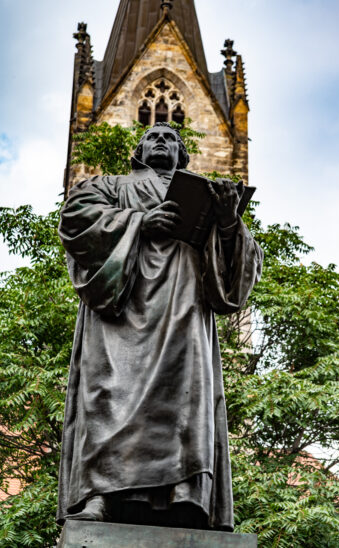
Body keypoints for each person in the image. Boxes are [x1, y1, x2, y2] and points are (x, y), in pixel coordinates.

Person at [57, 122, 263, 531]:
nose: (161, 142)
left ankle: (186, 496)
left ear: (183, 155)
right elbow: (75, 220)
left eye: (171, 138)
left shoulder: (205, 195)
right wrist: (139, 223)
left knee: (184, 404)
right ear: (138, 150)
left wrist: (227, 223)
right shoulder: (110, 186)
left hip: (183, 313)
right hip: (119, 314)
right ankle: (100, 496)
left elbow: (242, 268)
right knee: (107, 396)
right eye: (153, 136)